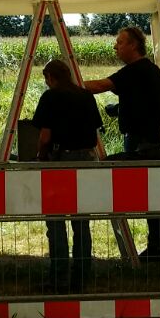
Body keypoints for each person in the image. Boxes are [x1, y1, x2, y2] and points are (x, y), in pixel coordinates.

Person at [84, 25, 160, 261]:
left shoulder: (135, 70)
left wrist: (70, 85)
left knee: (143, 193)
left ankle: (157, 247)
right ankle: (158, 245)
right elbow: (140, 102)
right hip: (151, 141)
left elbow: (100, 86)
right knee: (153, 195)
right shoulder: (150, 71)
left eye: (120, 42)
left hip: (141, 143)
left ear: (133, 45)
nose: (116, 47)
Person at [31, 60, 104, 292]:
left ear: (50, 77)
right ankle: (81, 277)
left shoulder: (50, 97)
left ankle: (59, 278)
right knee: (81, 221)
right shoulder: (86, 96)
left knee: (56, 220)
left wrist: (40, 156)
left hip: (61, 160)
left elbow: (45, 136)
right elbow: (95, 132)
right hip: (87, 160)